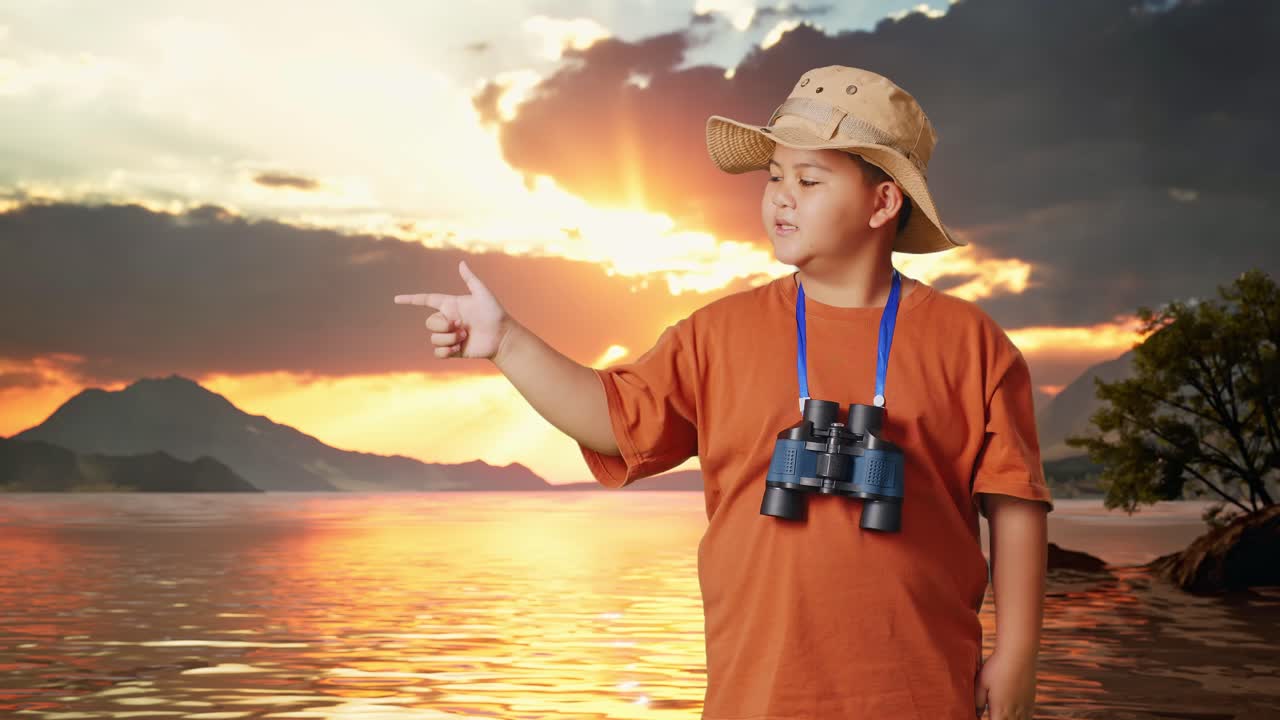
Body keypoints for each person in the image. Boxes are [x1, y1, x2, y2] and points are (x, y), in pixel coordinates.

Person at [395, 65, 1054, 720]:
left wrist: (1017, 651)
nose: (781, 197)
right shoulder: (717, 335)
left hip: (920, 691)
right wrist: (506, 343)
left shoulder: (971, 343)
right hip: (760, 694)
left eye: (810, 179)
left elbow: (1015, 502)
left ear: (883, 203)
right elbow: (612, 418)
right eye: (774, 178)